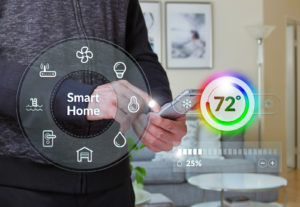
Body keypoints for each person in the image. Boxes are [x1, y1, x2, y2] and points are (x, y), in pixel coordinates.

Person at [0, 0, 187, 206]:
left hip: (113, 183)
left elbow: (139, 53)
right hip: (20, 183)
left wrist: (159, 110)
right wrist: (76, 98)